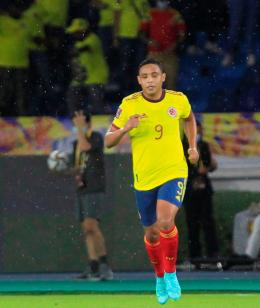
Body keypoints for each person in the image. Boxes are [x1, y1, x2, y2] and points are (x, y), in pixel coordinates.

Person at [104, 58, 199, 304]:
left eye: (154, 75)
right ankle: (159, 278)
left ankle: (171, 274)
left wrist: (192, 146)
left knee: (165, 221)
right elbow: (108, 140)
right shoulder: (129, 104)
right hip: (144, 178)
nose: (150, 80)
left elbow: (189, 118)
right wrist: (126, 128)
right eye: (145, 76)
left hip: (173, 170)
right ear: (139, 80)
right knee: (152, 233)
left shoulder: (178, 99)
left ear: (162, 77)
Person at [72, 110, 113, 281]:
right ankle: (93, 265)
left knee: (91, 226)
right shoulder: (76, 142)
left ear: (86, 123)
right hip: (82, 189)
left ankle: (104, 266)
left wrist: (81, 129)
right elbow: (79, 164)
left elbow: (85, 147)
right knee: (86, 229)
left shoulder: (95, 137)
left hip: (94, 188)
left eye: (78, 121)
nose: (75, 124)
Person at [182, 121, 219, 260]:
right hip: (190, 189)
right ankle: (195, 255)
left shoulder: (204, 145)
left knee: (208, 221)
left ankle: (212, 254)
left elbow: (209, 163)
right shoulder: (182, 146)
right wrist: (194, 175)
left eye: (200, 130)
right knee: (192, 222)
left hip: (204, 189)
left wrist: (206, 169)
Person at [65, 18, 109, 115]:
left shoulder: (93, 39)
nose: (74, 34)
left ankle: (103, 122)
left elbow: (85, 48)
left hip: (96, 76)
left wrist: (72, 52)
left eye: (76, 32)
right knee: (72, 94)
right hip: (82, 77)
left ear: (83, 30)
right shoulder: (77, 42)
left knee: (96, 99)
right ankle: (76, 121)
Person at [140, 0, 186, 90]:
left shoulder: (175, 15)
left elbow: (182, 34)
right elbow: (141, 33)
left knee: (171, 84)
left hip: (170, 55)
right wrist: (150, 41)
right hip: (153, 54)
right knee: (151, 84)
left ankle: (169, 103)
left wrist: (175, 44)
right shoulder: (149, 13)